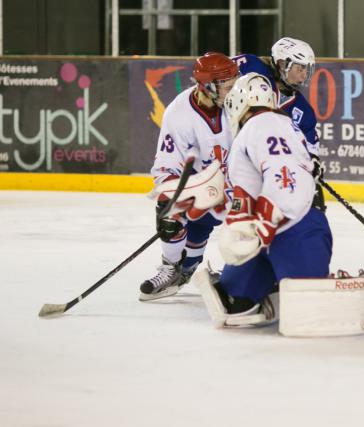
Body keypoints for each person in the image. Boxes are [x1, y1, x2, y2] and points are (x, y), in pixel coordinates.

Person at [193, 72, 333, 327]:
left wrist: (264, 223)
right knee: (236, 305)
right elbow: (246, 194)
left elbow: (286, 179)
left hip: (296, 228)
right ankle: (274, 286)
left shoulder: (264, 124)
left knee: (307, 309)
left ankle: (284, 285)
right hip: (268, 234)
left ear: (237, 103)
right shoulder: (266, 126)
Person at [139, 52, 239, 301]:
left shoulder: (242, 103)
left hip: (240, 187)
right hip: (203, 188)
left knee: (261, 224)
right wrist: (187, 194)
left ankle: (252, 273)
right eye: (228, 87)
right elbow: (166, 170)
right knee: (169, 204)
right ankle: (173, 268)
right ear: (207, 87)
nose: (235, 91)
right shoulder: (179, 113)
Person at [232, 37, 326, 211]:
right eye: (300, 68)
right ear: (283, 64)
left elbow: (309, 152)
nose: (304, 75)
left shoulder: (303, 111)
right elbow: (218, 76)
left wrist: (313, 171)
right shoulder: (251, 67)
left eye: (307, 70)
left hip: (261, 173)